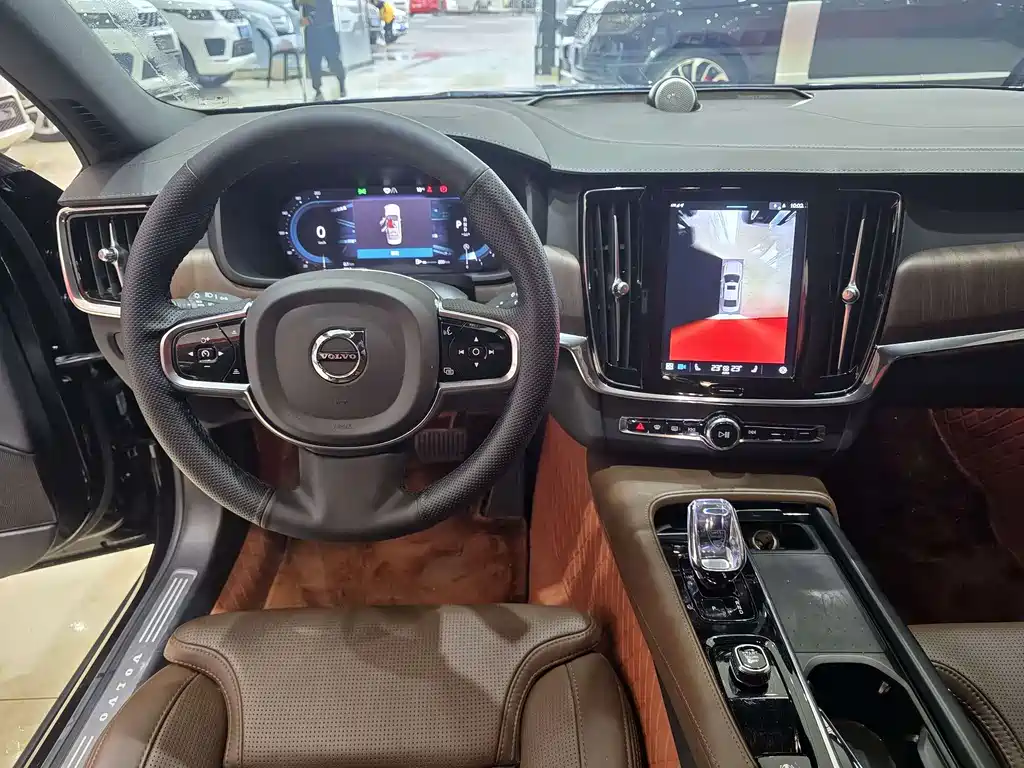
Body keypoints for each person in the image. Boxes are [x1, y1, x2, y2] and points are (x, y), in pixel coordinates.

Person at [293, 0, 346, 100]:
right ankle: (317, 91)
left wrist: (310, 19)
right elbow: (296, 5)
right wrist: (297, 2)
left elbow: (324, 8)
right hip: (312, 33)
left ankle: (342, 86)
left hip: (327, 30)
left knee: (334, 60)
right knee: (314, 63)